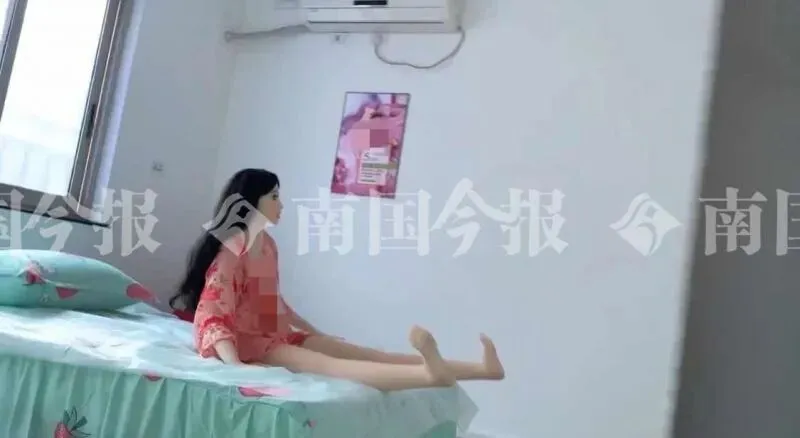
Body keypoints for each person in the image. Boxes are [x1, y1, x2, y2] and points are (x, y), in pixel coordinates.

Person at [170, 168, 505, 391]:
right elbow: (212, 314)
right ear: (251, 202)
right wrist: (235, 365)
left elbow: (273, 303)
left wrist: (313, 332)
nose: (281, 204)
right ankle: (429, 375)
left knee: (364, 353)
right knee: (333, 366)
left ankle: (483, 370)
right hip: (246, 343)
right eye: (273, 197)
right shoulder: (232, 252)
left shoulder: (267, 245)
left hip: (274, 332)